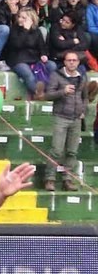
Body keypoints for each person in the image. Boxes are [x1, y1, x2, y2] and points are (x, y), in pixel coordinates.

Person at [41, 51, 95, 192]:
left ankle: (68, 179)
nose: (72, 62)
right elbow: (48, 95)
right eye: (69, 60)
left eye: (74, 60)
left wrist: (83, 110)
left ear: (78, 62)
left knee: (72, 152)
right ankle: (49, 178)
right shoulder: (56, 75)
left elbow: (85, 97)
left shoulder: (82, 76)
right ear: (64, 62)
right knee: (57, 150)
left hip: (76, 118)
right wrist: (63, 91)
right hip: (61, 117)